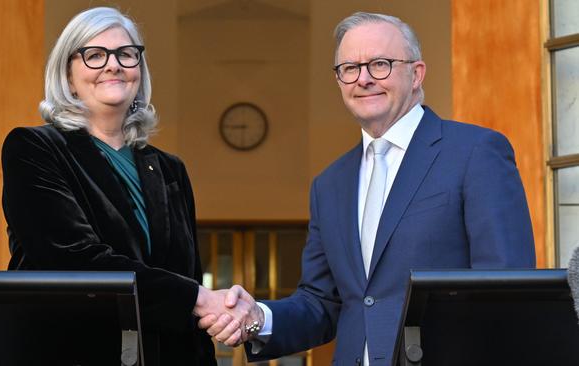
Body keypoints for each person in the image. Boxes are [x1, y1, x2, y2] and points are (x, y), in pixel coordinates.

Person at [199, 11, 536, 366]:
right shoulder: (329, 185)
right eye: (349, 68)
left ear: (416, 73)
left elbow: (505, 292)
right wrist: (257, 318)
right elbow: (321, 303)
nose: (363, 79)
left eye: (380, 64)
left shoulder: (475, 152)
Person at [1, 7, 248, 365]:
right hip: (70, 352)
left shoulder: (169, 169)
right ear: (68, 76)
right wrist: (197, 297)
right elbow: (72, 260)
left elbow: (186, 276)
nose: (113, 65)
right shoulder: (34, 148)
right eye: (94, 55)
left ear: (139, 70)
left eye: (126, 54)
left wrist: (209, 311)